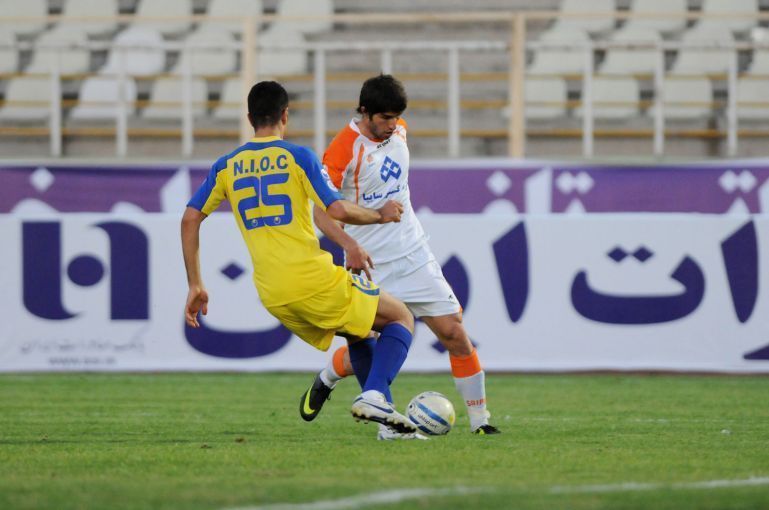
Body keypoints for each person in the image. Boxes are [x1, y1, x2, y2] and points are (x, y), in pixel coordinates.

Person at [181, 80, 418, 435]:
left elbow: (190, 218)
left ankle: (387, 423)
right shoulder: (298, 157)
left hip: (272, 294)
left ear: (250, 118)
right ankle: (373, 396)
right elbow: (336, 208)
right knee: (401, 316)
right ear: (285, 116)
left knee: (360, 333)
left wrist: (195, 284)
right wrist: (379, 215)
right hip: (310, 278)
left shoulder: (226, 166)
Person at [299, 74, 501, 438]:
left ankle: (480, 422)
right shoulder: (343, 149)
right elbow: (321, 212)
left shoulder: (399, 131)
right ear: (364, 112)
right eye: (385, 118)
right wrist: (350, 245)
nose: (393, 124)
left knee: (454, 332)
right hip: (369, 263)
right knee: (368, 344)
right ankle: (381, 422)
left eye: (397, 117)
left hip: (413, 253)